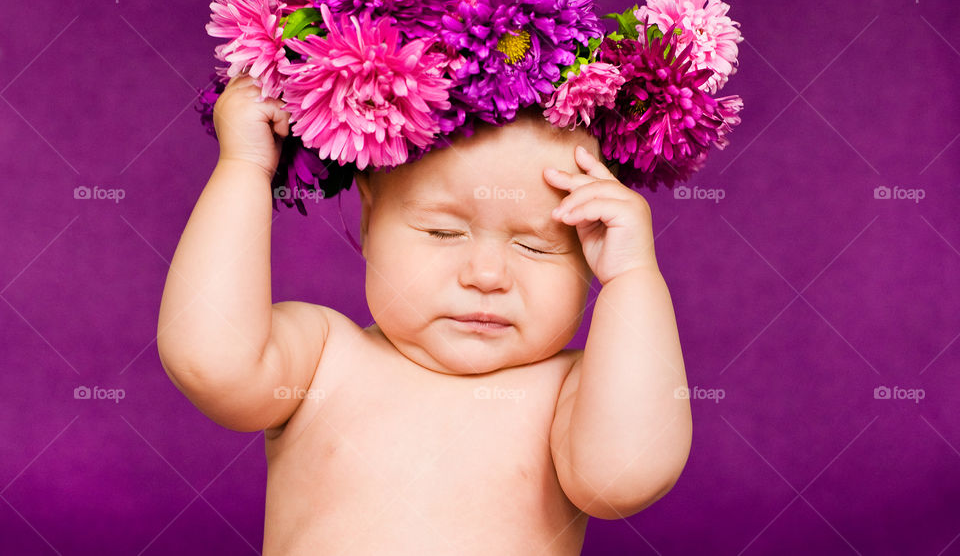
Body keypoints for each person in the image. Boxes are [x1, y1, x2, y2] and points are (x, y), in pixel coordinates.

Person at [158, 71, 692, 554]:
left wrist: (632, 279)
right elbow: (211, 360)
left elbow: (626, 477)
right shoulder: (324, 356)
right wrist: (245, 167)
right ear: (369, 221)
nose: (486, 275)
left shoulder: (570, 393)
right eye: (443, 232)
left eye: (535, 246)